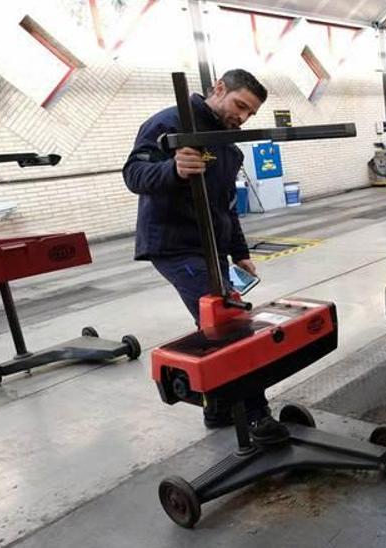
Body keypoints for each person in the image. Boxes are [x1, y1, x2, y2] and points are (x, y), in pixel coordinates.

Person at [123, 68, 276, 434]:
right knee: (228, 325)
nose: (242, 117)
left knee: (220, 324)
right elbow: (133, 175)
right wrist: (172, 169)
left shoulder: (228, 148)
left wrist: (239, 251)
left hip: (213, 247)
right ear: (218, 88)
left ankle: (218, 409)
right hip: (175, 246)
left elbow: (225, 206)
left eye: (250, 113)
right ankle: (257, 415)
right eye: (240, 105)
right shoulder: (170, 123)